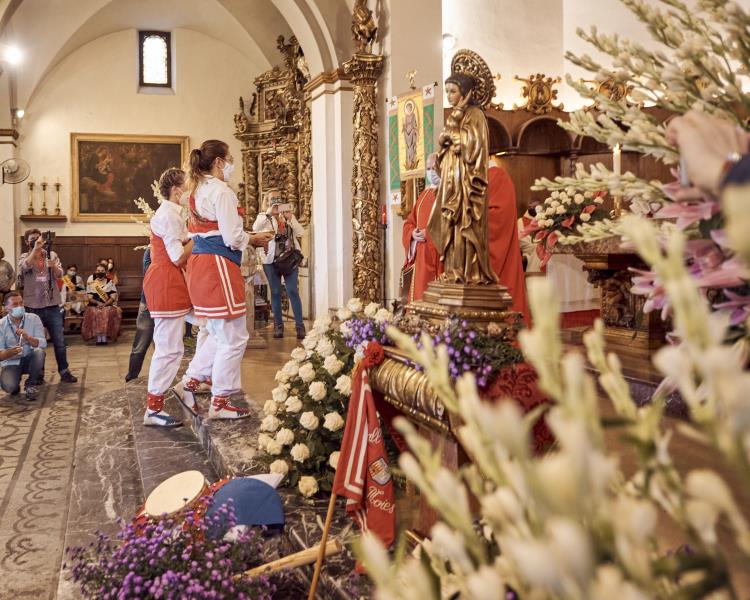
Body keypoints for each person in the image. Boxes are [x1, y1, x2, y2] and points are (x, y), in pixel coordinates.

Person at [184, 139, 273, 419]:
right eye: (230, 158)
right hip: (217, 265)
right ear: (220, 162)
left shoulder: (197, 189)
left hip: (202, 264)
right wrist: (254, 238)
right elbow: (232, 237)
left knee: (217, 331)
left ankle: (191, 381)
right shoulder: (221, 191)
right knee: (234, 336)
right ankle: (220, 401)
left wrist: (244, 236)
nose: (231, 163)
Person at [427, 72, 496, 284]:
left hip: (466, 183)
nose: (449, 95)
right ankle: (452, 271)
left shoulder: (475, 114)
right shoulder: (455, 115)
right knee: (450, 224)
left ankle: (468, 273)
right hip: (451, 180)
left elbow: (475, 146)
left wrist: (454, 138)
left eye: (453, 91)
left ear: (465, 93)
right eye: (447, 91)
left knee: (463, 225)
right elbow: (445, 149)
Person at [141, 168, 195, 428]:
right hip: (166, 282)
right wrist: (203, 235)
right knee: (169, 348)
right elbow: (177, 256)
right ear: (176, 191)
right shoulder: (168, 216)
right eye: (188, 187)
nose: (190, 191)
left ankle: (194, 380)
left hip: (174, 281)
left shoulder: (173, 214)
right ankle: (153, 409)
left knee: (212, 325)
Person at [17, 228, 77, 383]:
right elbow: (24, 267)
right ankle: (38, 373)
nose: (37, 240)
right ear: (26, 242)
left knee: (60, 342)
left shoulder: (51, 254)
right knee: (37, 343)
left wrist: (54, 266)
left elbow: (60, 274)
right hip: (33, 306)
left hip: (52, 305)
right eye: (33, 239)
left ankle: (64, 371)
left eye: (39, 238)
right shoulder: (25, 256)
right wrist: (35, 250)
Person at [252, 190, 306, 339]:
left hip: (289, 260)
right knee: (275, 292)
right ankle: (278, 326)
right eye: (272, 199)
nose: (276, 200)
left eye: (278, 198)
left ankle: (300, 326)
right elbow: (255, 228)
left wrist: (291, 218)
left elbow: (301, 233)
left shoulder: (287, 216)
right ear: (267, 202)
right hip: (270, 261)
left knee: (292, 291)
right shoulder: (263, 216)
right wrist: (269, 213)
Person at [487, 155, 530, 325]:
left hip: (498, 253)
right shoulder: (480, 177)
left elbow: (499, 217)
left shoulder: (497, 176)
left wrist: (469, 217)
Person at [401, 153, 441, 303]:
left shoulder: (449, 194)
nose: (431, 172)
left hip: (439, 258)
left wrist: (430, 234)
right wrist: (413, 234)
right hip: (421, 259)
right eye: (428, 168)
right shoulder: (424, 195)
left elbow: (452, 225)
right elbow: (409, 222)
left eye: (434, 168)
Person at [0, 292, 46, 400]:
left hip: (30, 358)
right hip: (11, 362)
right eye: (15, 304)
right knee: (9, 388)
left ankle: (31, 384)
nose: (19, 307)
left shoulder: (34, 318)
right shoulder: (1, 325)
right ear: (6, 308)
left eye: (21, 303)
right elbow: (0, 355)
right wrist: (12, 351)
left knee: (39, 352)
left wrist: (28, 338)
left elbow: (43, 343)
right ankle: (14, 381)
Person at [125, 248, 155, 382]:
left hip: (167, 305)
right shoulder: (151, 250)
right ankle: (131, 377)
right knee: (140, 345)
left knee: (164, 348)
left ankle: (158, 379)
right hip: (148, 304)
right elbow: (149, 275)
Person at [82, 264, 121, 344]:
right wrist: (97, 302)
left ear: (106, 272)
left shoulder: (110, 282)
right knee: (93, 312)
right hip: (94, 305)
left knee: (108, 312)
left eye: (102, 271)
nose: (100, 272)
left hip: (107, 305)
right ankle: (98, 336)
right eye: (98, 271)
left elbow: (113, 297)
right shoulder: (92, 283)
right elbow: (89, 297)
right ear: (95, 272)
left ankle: (104, 336)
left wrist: (105, 304)